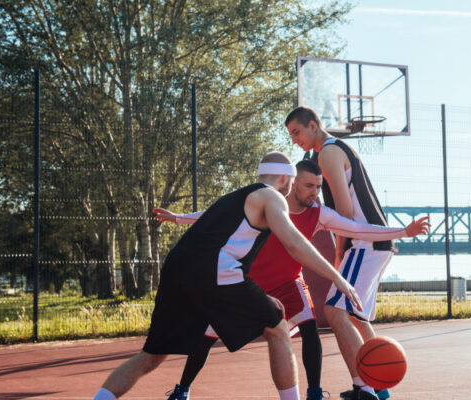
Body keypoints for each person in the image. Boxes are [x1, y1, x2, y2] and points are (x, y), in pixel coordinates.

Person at [92, 152, 362, 400]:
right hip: (214, 269)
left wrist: (256, 294)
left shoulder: (233, 200)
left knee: (151, 356)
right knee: (278, 329)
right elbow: (293, 242)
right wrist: (337, 277)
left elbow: (217, 246)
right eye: (292, 182)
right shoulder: (272, 196)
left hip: (178, 268)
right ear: (285, 178)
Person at [155, 159, 430, 400]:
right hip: (250, 284)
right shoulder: (267, 200)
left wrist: (402, 232)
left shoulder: (318, 214)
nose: (315, 192)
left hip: (289, 283)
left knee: (310, 328)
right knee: (206, 337)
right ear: (293, 182)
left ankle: (313, 392)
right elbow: (216, 216)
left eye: (319, 187)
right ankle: (183, 389)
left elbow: (357, 228)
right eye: (310, 186)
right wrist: (179, 219)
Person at [285, 106, 397, 400]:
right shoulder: (338, 149)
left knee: (334, 311)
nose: (295, 140)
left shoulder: (328, 153)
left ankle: (365, 389)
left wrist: (338, 255)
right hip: (374, 241)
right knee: (356, 316)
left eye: (297, 132)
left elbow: (345, 213)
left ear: (313, 125)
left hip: (363, 242)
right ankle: (379, 384)